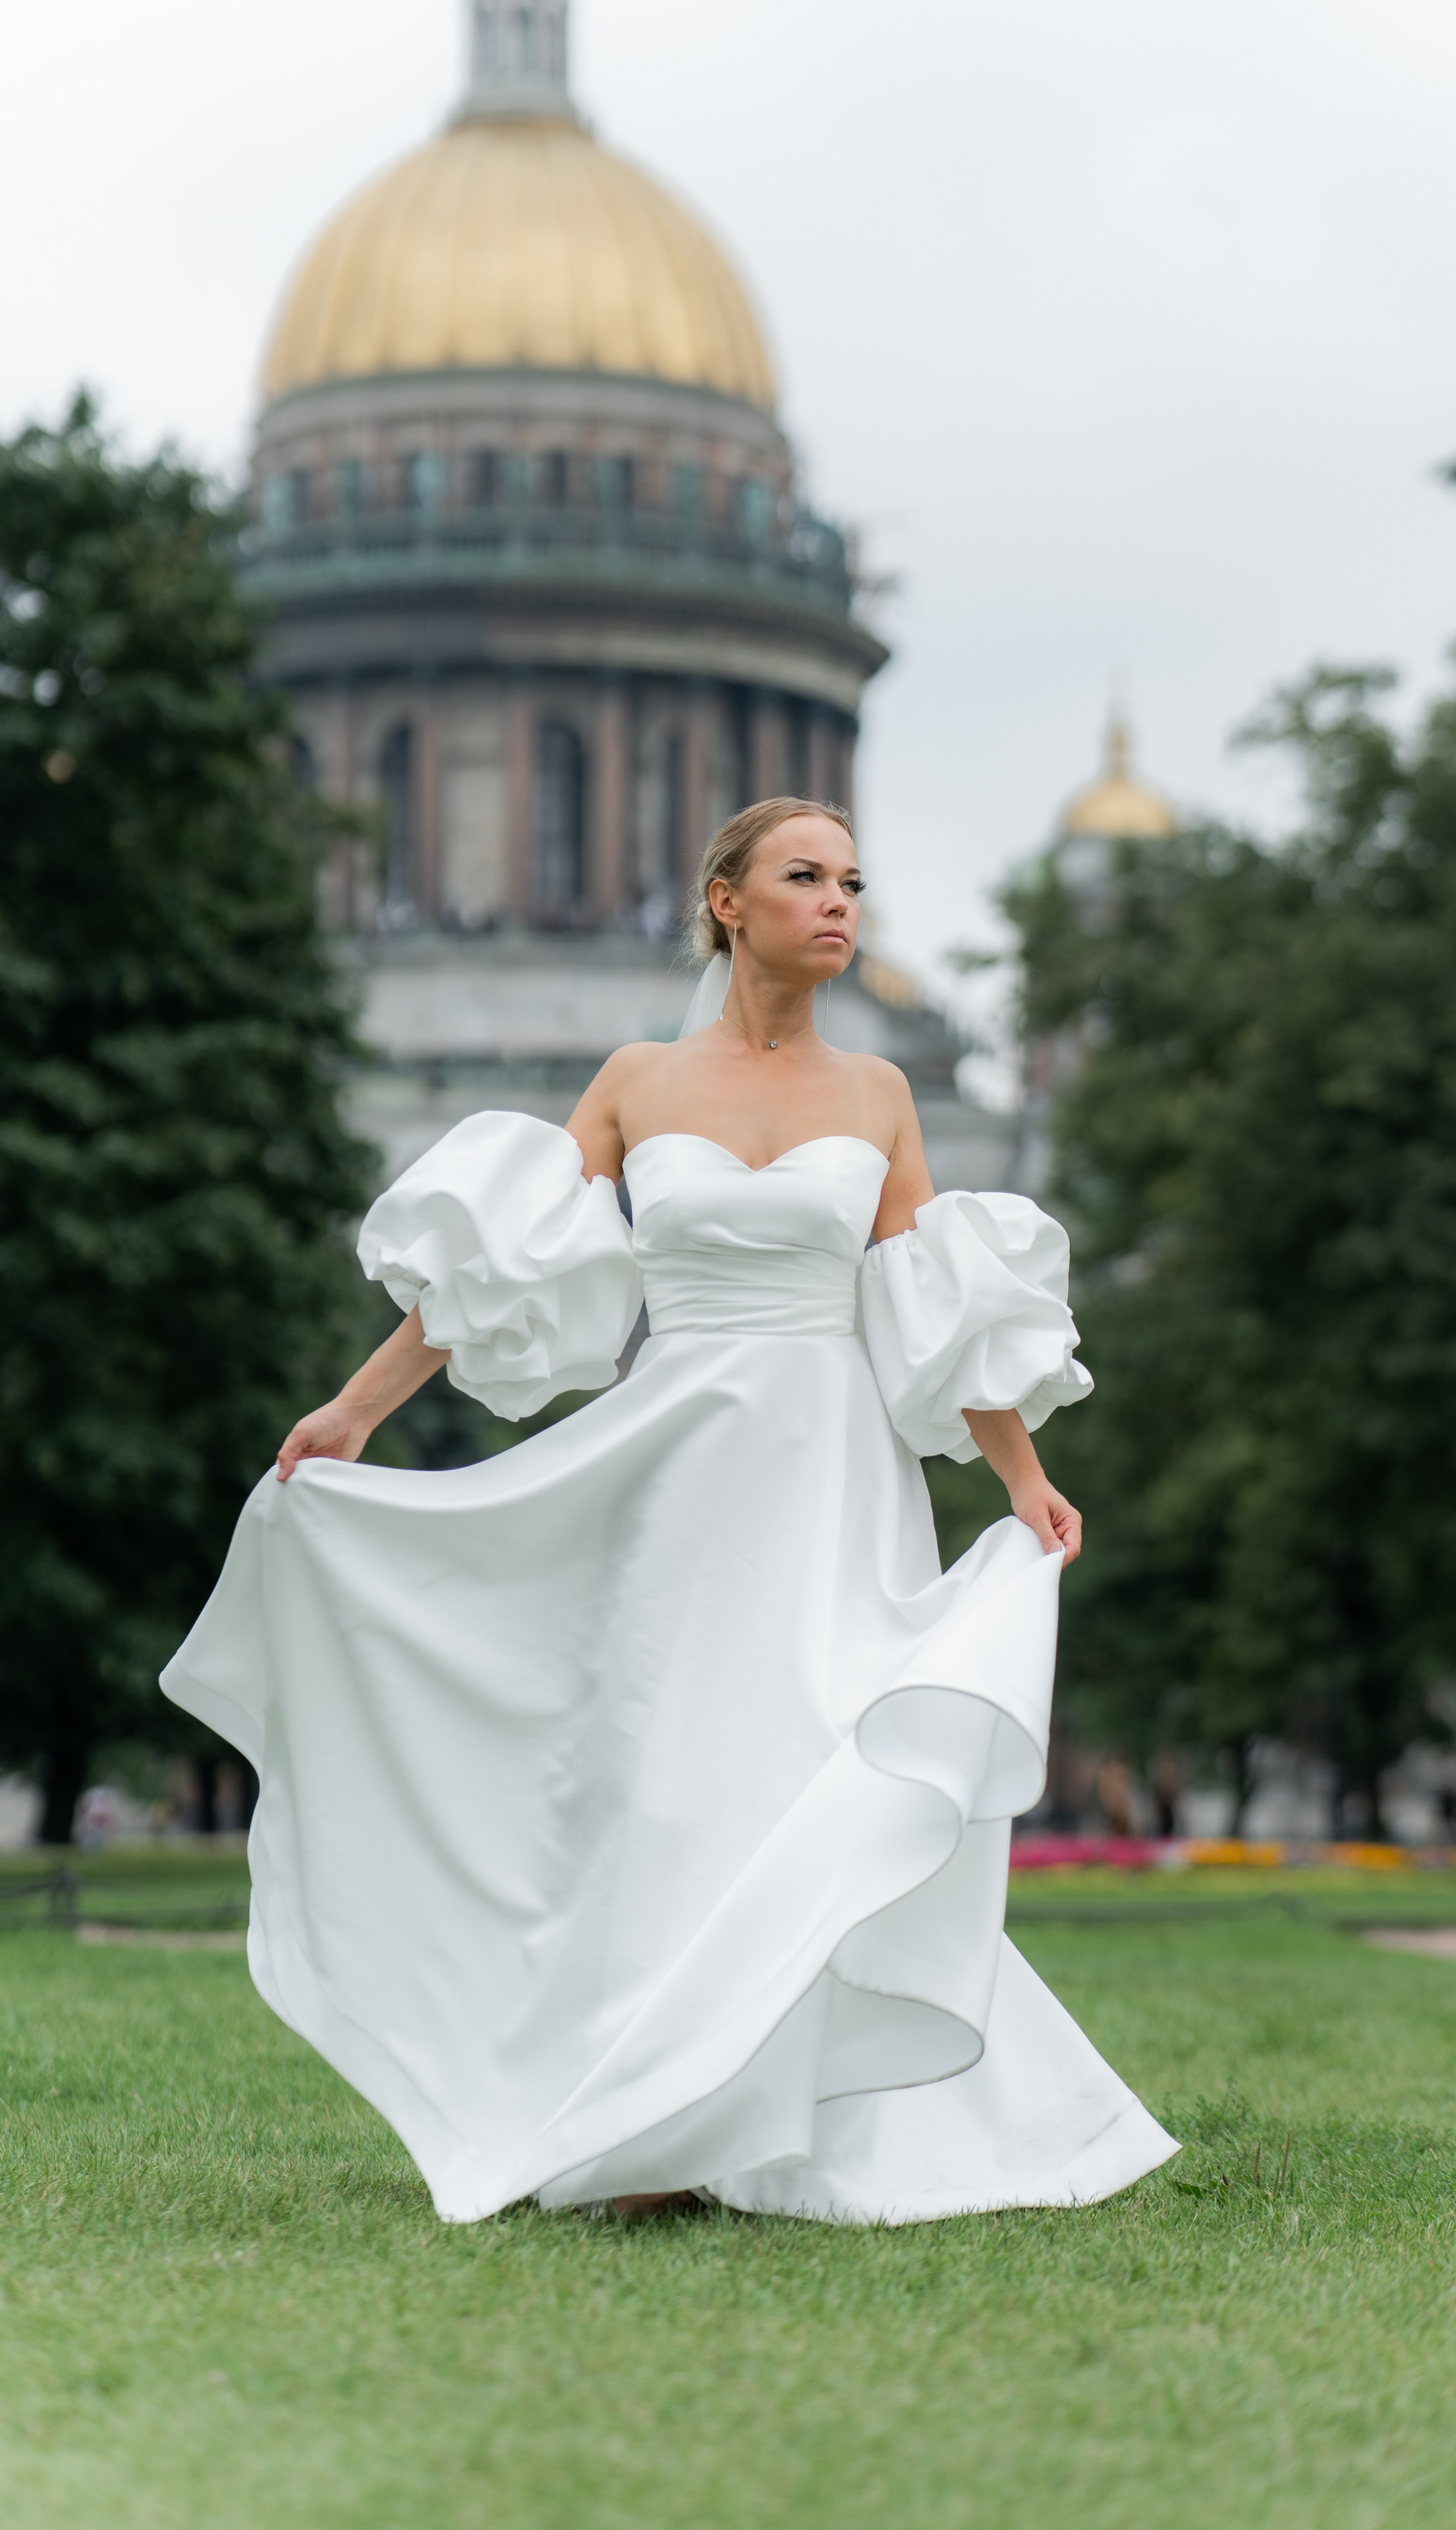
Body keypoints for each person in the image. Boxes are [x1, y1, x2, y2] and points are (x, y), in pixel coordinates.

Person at [163, 797, 1178, 2224]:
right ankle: (653, 2125)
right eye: (804, 878)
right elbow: (510, 1268)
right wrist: (356, 1412)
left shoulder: (880, 1093)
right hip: (680, 1458)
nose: (839, 904)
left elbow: (925, 1306)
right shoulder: (638, 1080)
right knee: (673, 1772)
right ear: (725, 901)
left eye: (852, 881)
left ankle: (807, 2127)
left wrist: (1020, 1479)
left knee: (819, 1757)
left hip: (830, 1473)